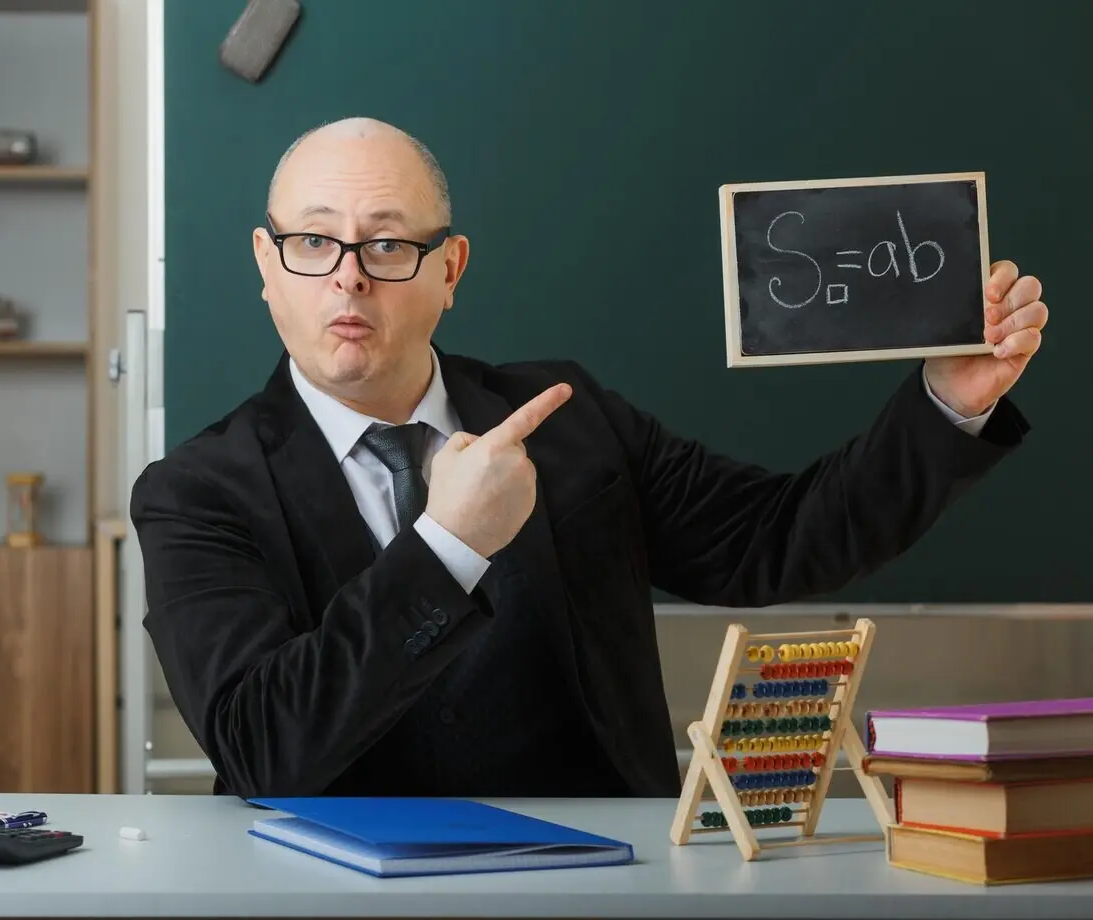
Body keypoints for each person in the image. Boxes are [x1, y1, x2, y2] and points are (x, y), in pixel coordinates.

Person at [130, 117, 1046, 799]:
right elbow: (258, 748)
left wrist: (945, 405)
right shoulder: (197, 493)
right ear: (266, 262)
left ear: (451, 269)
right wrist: (448, 542)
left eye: (388, 243)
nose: (348, 274)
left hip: (604, 876)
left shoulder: (569, 419)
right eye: (313, 241)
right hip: (325, 893)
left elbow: (780, 539)